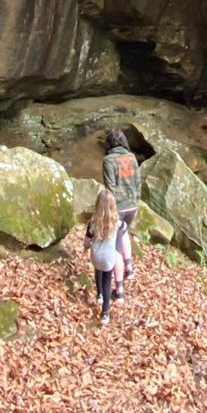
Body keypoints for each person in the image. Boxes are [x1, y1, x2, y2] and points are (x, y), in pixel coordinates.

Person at [102, 128, 140, 281]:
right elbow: (138, 183)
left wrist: (110, 209)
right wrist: (136, 201)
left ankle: (119, 289)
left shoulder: (109, 160)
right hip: (133, 205)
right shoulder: (132, 158)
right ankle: (129, 268)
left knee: (116, 244)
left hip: (119, 207)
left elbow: (109, 187)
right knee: (124, 233)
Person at [84, 188, 126, 324]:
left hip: (96, 256)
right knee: (108, 280)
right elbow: (124, 227)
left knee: (98, 271)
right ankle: (105, 313)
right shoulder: (115, 222)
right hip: (109, 258)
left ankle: (99, 295)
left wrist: (86, 248)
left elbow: (87, 240)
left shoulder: (93, 223)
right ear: (113, 206)